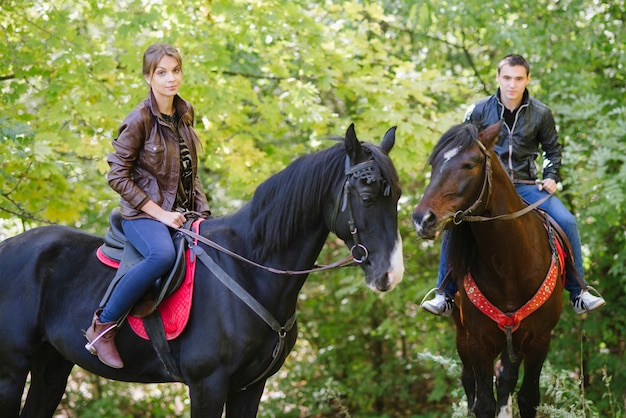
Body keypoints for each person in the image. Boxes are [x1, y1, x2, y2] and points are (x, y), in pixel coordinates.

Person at [421, 54, 606, 317]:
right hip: (486, 189)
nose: (512, 84)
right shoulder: (478, 111)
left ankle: (579, 292)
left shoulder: (541, 113)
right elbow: (461, 151)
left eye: (519, 79)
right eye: (507, 78)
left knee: (568, 221)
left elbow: (552, 150)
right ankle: (445, 294)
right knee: (454, 225)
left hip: (527, 184)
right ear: (498, 78)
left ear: (527, 79)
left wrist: (551, 175)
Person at [85, 43, 211, 368]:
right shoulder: (139, 119)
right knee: (162, 255)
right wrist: (161, 214)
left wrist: (204, 216)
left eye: (176, 70)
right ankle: (103, 327)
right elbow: (116, 176)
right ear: (148, 76)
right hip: (142, 216)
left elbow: (190, 173)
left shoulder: (184, 114)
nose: (171, 78)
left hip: (182, 214)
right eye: (162, 72)